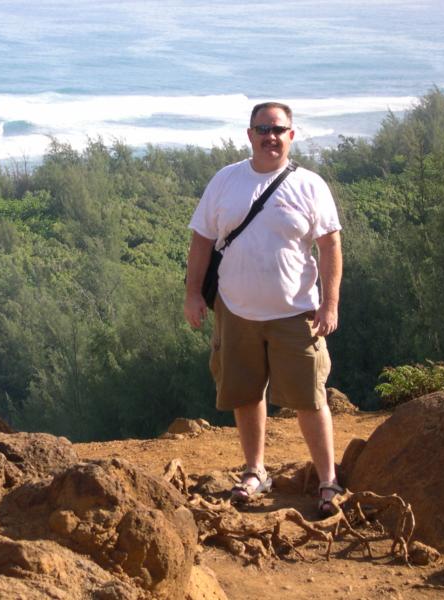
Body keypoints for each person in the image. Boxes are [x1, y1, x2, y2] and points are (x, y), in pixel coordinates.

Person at [183, 101, 343, 516]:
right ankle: (255, 471)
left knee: (310, 397)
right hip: (235, 310)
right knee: (246, 393)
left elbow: (329, 246)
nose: (270, 136)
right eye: (262, 129)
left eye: (278, 129)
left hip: (297, 313)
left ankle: (327, 480)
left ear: (292, 135)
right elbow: (202, 240)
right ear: (249, 134)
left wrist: (330, 304)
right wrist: (193, 294)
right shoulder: (225, 181)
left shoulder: (310, 185)